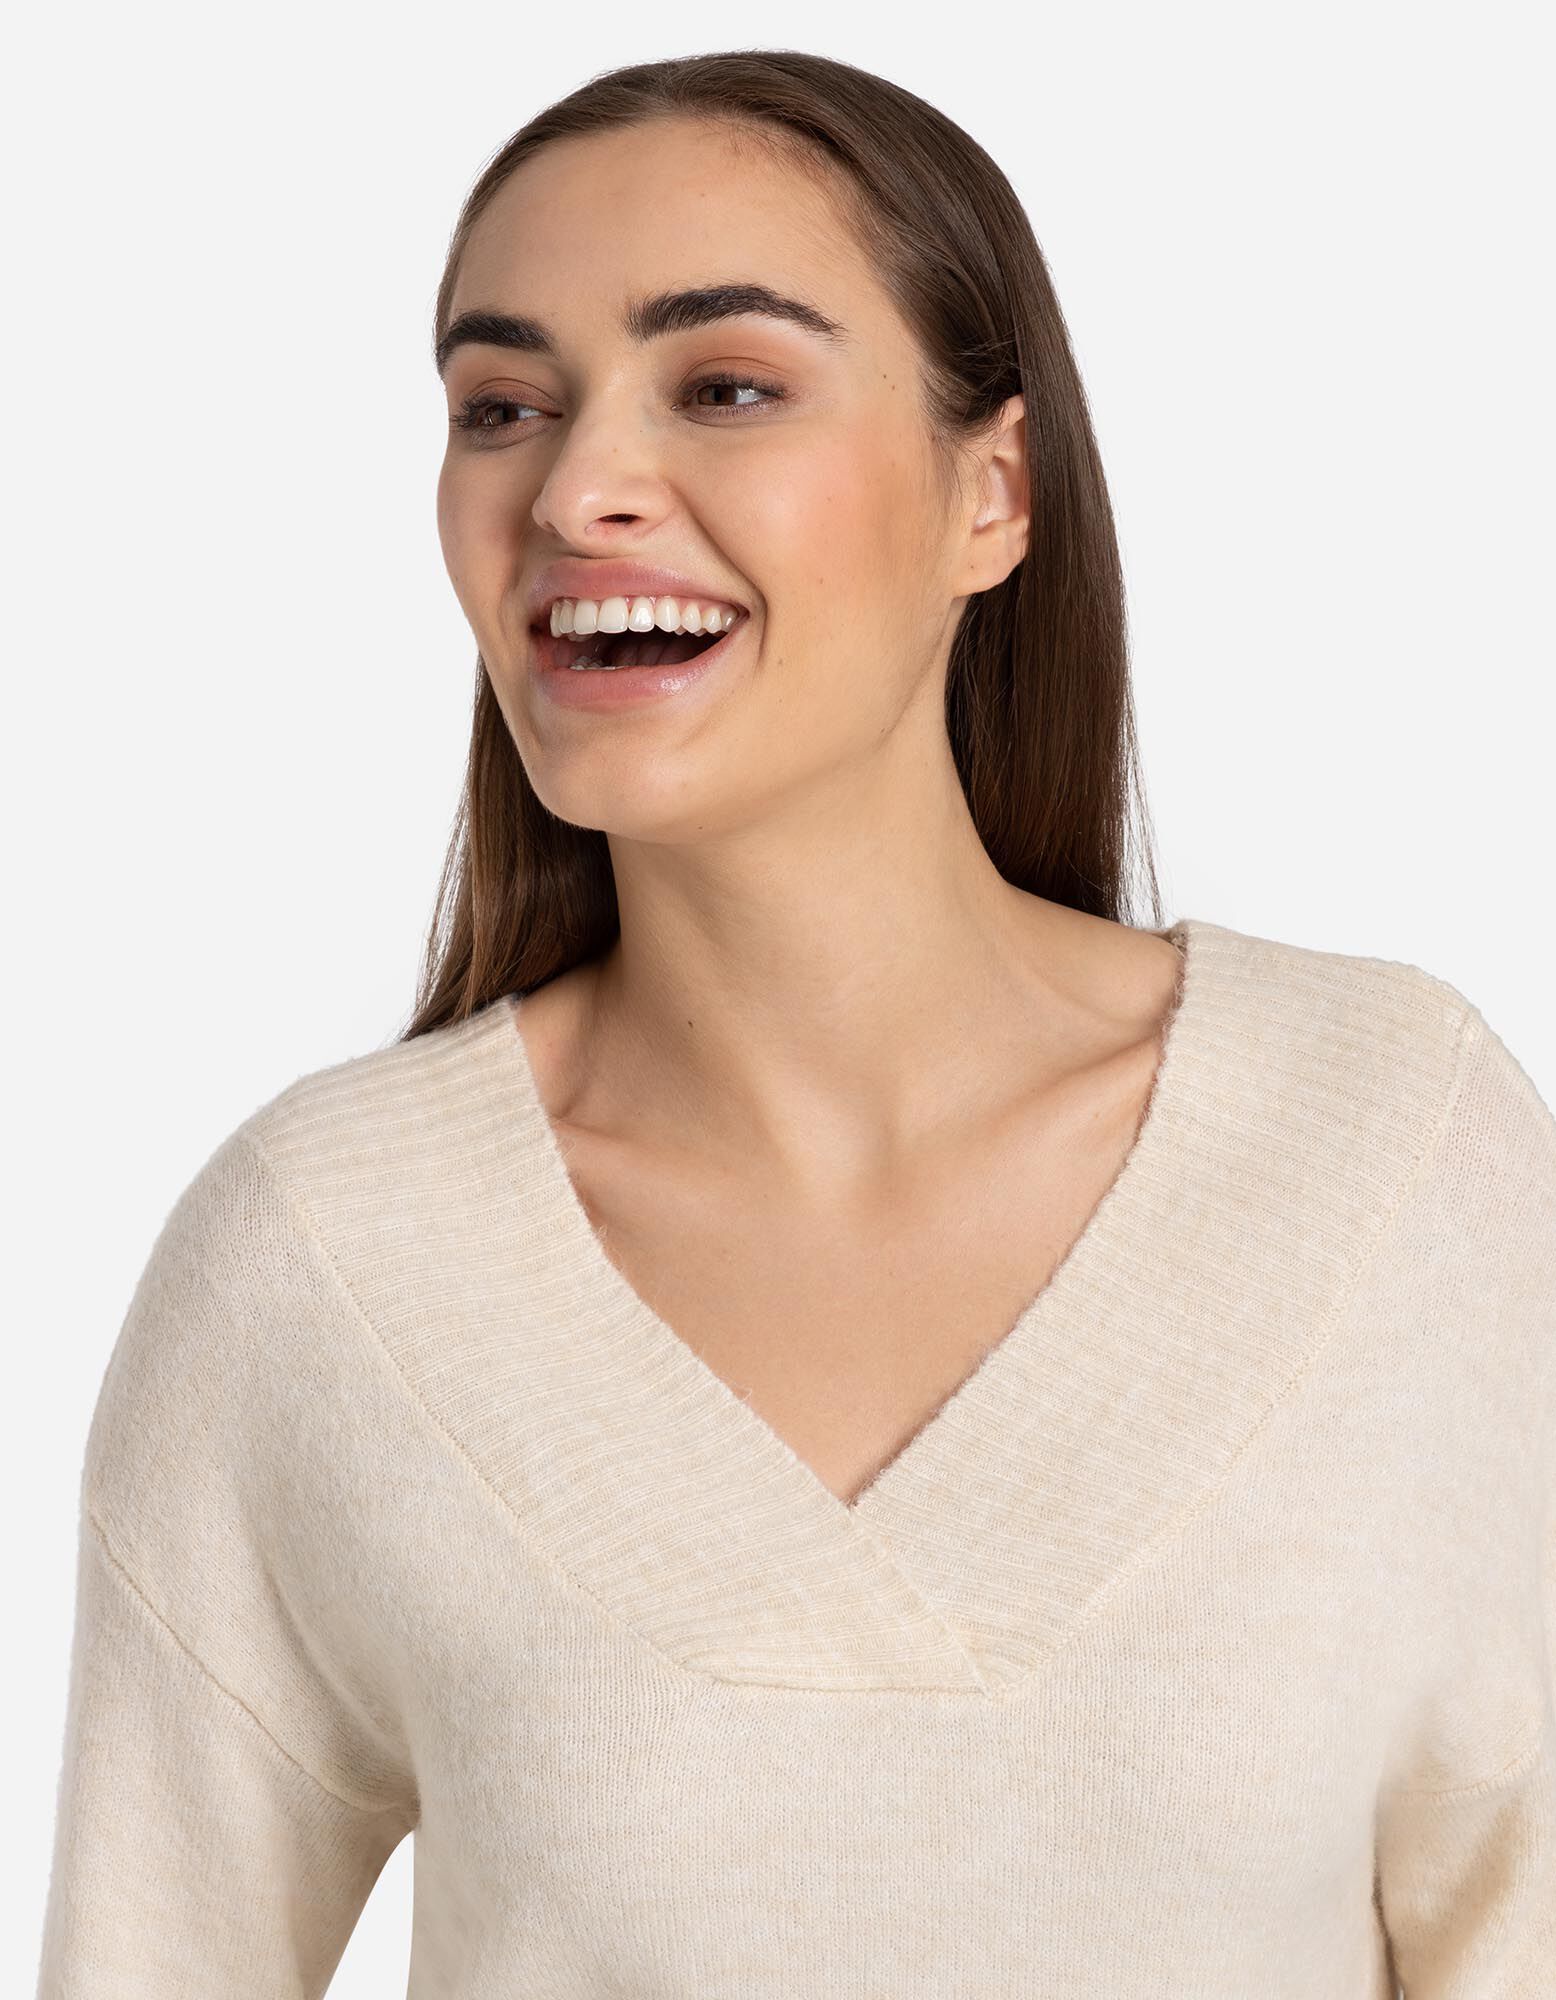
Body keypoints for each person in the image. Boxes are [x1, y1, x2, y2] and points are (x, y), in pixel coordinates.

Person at [36, 48, 1554, 2000]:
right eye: (503, 407)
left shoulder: (1390, 1151)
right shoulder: (323, 1259)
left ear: (991, 495)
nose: (575, 488)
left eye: (726, 386)